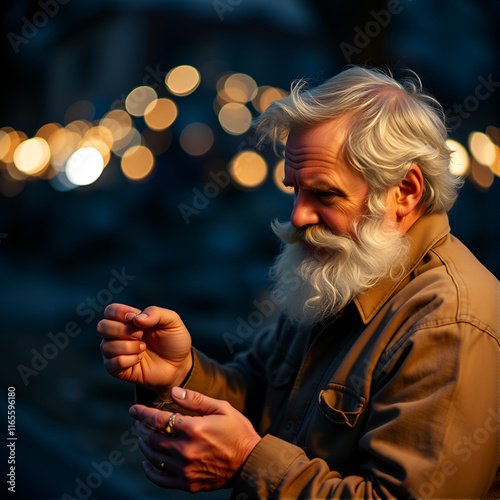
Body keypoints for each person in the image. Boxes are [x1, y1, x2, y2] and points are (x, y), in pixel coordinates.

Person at [97, 66, 499, 499]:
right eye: (295, 190)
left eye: (324, 195)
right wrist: (182, 372)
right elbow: (263, 396)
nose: (298, 217)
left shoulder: (451, 323)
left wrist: (250, 463)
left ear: (405, 191)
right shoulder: (348, 266)